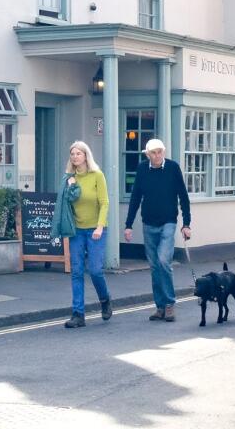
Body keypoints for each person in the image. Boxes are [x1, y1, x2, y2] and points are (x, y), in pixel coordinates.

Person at [124, 138, 192, 322]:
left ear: (164, 152)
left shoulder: (172, 168)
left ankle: (169, 304)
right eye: (153, 153)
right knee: (154, 266)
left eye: (160, 152)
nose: (157, 155)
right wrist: (128, 225)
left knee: (163, 261)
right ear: (147, 154)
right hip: (148, 223)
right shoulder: (142, 169)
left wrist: (186, 224)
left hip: (168, 222)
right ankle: (160, 307)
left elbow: (183, 196)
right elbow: (135, 197)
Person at [55, 141, 112, 329]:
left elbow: (104, 203)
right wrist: (71, 186)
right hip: (76, 230)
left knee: (95, 270)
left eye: (78, 153)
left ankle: (104, 299)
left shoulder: (97, 175)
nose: (74, 157)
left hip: (96, 229)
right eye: (72, 154)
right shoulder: (69, 178)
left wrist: (100, 227)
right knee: (77, 271)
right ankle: (78, 314)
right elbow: (65, 204)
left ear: (86, 156)